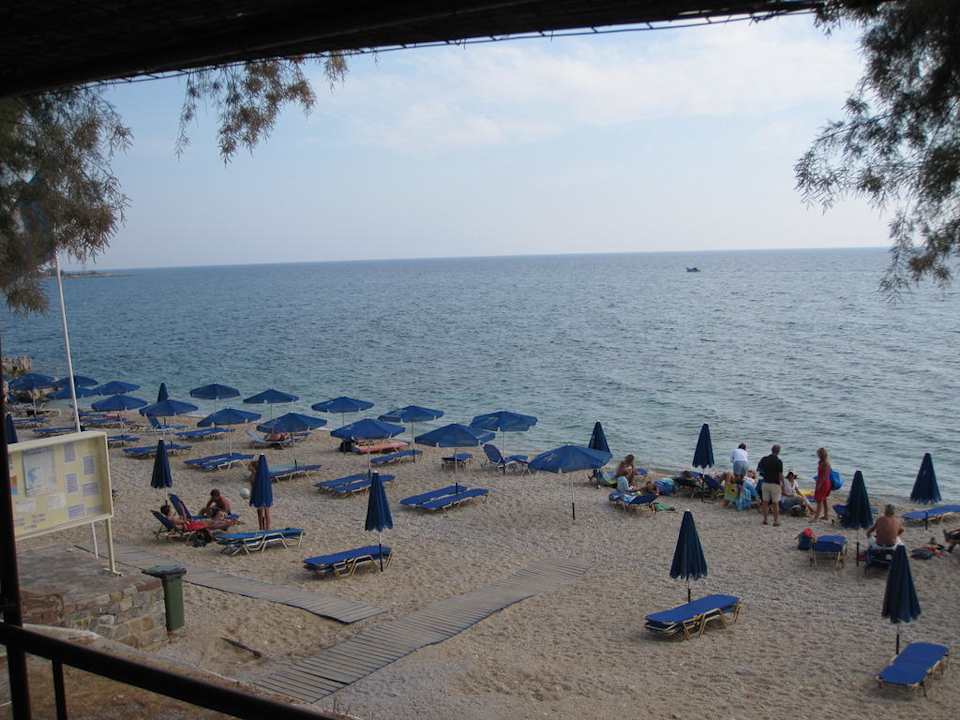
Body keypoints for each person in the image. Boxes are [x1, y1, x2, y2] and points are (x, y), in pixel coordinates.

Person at [756, 444, 783, 526]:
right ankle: (775, 521)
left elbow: (758, 469)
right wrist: (783, 483)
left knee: (765, 502)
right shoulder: (779, 461)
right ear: (778, 451)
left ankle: (765, 520)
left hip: (765, 483)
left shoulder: (764, 459)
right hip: (775, 484)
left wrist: (764, 474)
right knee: (775, 503)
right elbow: (780, 474)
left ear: (771, 450)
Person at [812, 447, 832, 521]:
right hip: (821, 481)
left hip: (824, 483)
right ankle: (826, 516)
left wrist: (819, 485)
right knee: (824, 499)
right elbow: (820, 474)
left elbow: (824, 476)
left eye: (818, 454)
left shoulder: (826, 463)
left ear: (822, 454)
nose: (817, 455)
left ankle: (816, 518)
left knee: (819, 500)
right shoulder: (820, 462)